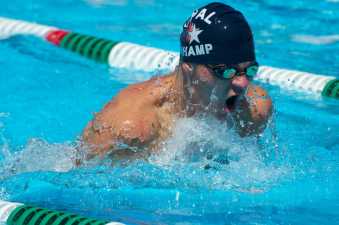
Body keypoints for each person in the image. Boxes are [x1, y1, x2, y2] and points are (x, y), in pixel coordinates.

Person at [80, 2, 272, 163]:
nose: (241, 83)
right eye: (225, 71)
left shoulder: (254, 111)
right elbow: (71, 183)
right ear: (189, 65)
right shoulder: (131, 127)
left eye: (249, 70)